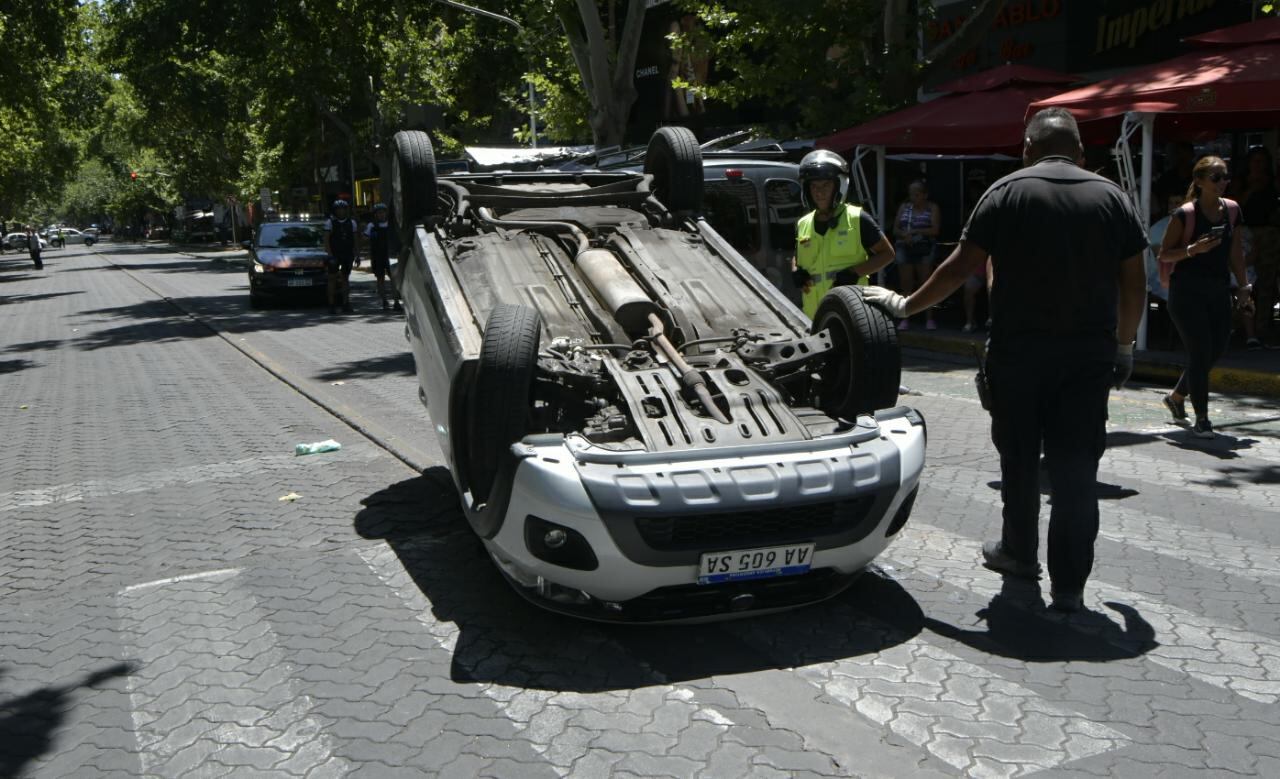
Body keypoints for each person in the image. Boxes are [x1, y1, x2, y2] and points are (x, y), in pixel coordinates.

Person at [862, 108, 1148, 612]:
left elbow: (957, 269)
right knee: (1077, 471)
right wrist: (1125, 346)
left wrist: (906, 305)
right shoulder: (1113, 198)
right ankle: (1071, 585)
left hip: (1019, 355)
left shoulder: (1006, 192)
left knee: (1018, 462)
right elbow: (1134, 284)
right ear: (1081, 152)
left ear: (1027, 148)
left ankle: (1018, 554)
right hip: (1087, 357)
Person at [1155, 156, 1252, 438]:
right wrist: (1191, 251)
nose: (1223, 182)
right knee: (1199, 351)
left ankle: (1176, 397)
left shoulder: (1232, 210)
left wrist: (1244, 287)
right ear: (1199, 182)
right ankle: (1202, 418)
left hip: (1218, 289)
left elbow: (1236, 253)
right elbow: (1163, 253)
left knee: (1216, 350)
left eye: (1225, 177)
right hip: (1186, 291)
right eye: (1216, 177)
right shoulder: (1184, 214)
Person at [792, 149, 895, 319]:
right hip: (813, 316)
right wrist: (796, 271)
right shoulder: (803, 223)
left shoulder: (857, 218)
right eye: (814, 186)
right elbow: (798, 254)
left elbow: (888, 254)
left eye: (826, 185)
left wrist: (855, 273)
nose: (819, 192)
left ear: (839, 185)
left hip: (852, 313)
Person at [1233, 146, 1279, 347]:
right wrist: (1251, 189)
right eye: (1255, 161)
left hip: (1268, 233)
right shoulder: (1240, 183)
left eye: (1262, 161)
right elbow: (1233, 207)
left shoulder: (1273, 183)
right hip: (1244, 233)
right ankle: (1240, 326)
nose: (1258, 166)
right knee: (1241, 282)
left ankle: (1262, 326)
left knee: (1266, 283)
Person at [892, 180, 941, 330]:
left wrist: (915, 232)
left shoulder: (932, 208)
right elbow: (895, 229)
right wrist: (904, 235)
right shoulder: (904, 207)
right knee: (906, 283)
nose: (913, 197)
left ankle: (929, 318)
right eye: (911, 194)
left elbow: (935, 230)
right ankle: (906, 317)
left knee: (925, 283)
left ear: (925, 195)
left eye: (917, 194)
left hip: (924, 249)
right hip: (905, 248)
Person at [363, 203, 401, 311]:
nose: (381, 215)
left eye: (383, 212)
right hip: (377, 256)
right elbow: (364, 238)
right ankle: (384, 301)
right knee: (380, 279)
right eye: (379, 213)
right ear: (375, 215)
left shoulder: (392, 224)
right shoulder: (371, 226)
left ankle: (396, 302)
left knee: (394, 279)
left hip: (390, 255)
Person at [324, 199, 359, 314]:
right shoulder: (330, 222)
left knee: (345, 279)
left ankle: (346, 303)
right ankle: (331, 304)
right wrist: (330, 255)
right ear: (335, 211)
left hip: (347, 254)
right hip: (335, 254)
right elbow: (326, 240)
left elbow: (355, 239)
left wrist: (357, 254)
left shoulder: (352, 223)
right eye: (338, 209)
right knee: (332, 279)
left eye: (343, 209)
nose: (341, 212)